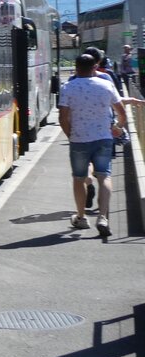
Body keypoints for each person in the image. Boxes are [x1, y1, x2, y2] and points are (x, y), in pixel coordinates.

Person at [58, 51, 128, 237]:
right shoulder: (106, 85)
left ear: (76, 68)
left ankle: (81, 218)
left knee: (79, 178)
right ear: (95, 67)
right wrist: (118, 128)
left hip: (79, 139)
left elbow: (63, 117)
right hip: (104, 138)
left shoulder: (68, 87)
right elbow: (122, 113)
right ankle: (102, 217)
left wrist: (70, 135)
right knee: (104, 176)